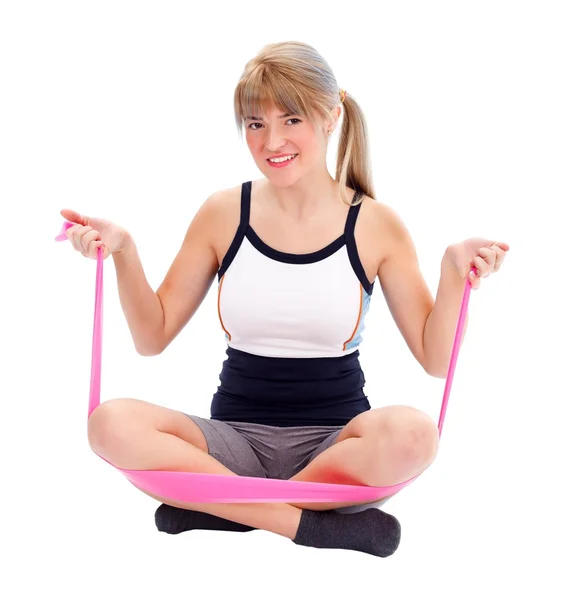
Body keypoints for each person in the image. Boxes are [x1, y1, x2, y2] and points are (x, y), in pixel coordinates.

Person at [61, 41, 509, 558]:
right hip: (232, 445)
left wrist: (454, 273)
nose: (272, 140)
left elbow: (436, 360)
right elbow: (151, 336)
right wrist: (123, 251)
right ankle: (304, 523)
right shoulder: (224, 211)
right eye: (255, 124)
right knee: (109, 423)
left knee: (415, 434)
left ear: (330, 116)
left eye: (290, 119)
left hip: (335, 450)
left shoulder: (375, 224)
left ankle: (225, 508)